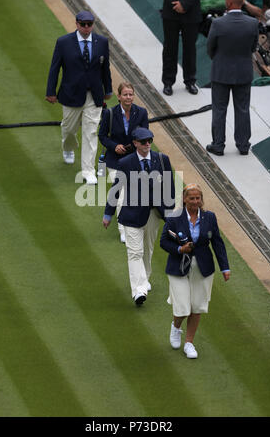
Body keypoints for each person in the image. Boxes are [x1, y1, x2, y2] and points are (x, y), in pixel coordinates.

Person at [103, 127, 175, 306]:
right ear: (135, 143)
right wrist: (108, 213)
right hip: (132, 215)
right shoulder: (126, 162)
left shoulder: (162, 160)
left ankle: (144, 279)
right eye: (143, 141)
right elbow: (116, 189)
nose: (147, 144)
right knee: (134, 252)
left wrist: (170, 213)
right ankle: (139, 290)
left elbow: (170, 188)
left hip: (154, 213)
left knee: (147, 250)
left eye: (150, 140)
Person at [160, 183, 230, 359]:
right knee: (183, 307)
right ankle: (176, 328)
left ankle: (189, 343)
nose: (195, 201)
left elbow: (217, 243)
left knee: (197, 306)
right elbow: (164, 242)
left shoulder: (210, 218)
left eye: (198, 198)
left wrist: (225, 267)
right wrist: (179, 250)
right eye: (191, 198)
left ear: (201, 200)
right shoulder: (174, 218)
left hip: (203, 267)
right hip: (178, 267)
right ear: (184, 199)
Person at [46, 10, 112, 184]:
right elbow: (55, 68)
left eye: (89, 24)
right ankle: (68, 147)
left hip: (94, 95)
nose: (86, 27)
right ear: (76, 24)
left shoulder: (102, 42)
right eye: (83, 24)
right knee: (68, 129)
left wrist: (109, 90)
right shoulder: (63, 42)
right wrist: (50, 91)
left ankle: (88, 171)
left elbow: (105, 68)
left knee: (90, 132)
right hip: (71, 93)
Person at [206, 0, 259, 156]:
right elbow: (253, 47)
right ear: (241, 3)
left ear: (228, 3)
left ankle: (218, 145)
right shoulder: (252, 23)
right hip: (243, 72)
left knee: (219, 109)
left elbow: (210, 48)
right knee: (242, 109)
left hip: (221, 72)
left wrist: (220, 59)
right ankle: (243, 145)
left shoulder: (218, 23)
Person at [98, 82, 149, 243]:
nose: (128, 97)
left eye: (131, 94)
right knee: (121, 193)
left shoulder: (141, 113)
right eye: (125, 94)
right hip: (114, 160)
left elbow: (145, 135)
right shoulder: (109, 114)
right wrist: (115, 146)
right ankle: (123, 229)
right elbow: (102, 136)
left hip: (134, 160)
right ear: (119, 97)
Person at [158, 0, 207, 96]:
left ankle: (190, 81)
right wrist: (175, 3)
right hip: (171, 12)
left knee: (190, 48)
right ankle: (168, 82)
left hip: (191, 13)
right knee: (170, 47)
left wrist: (184, 4)